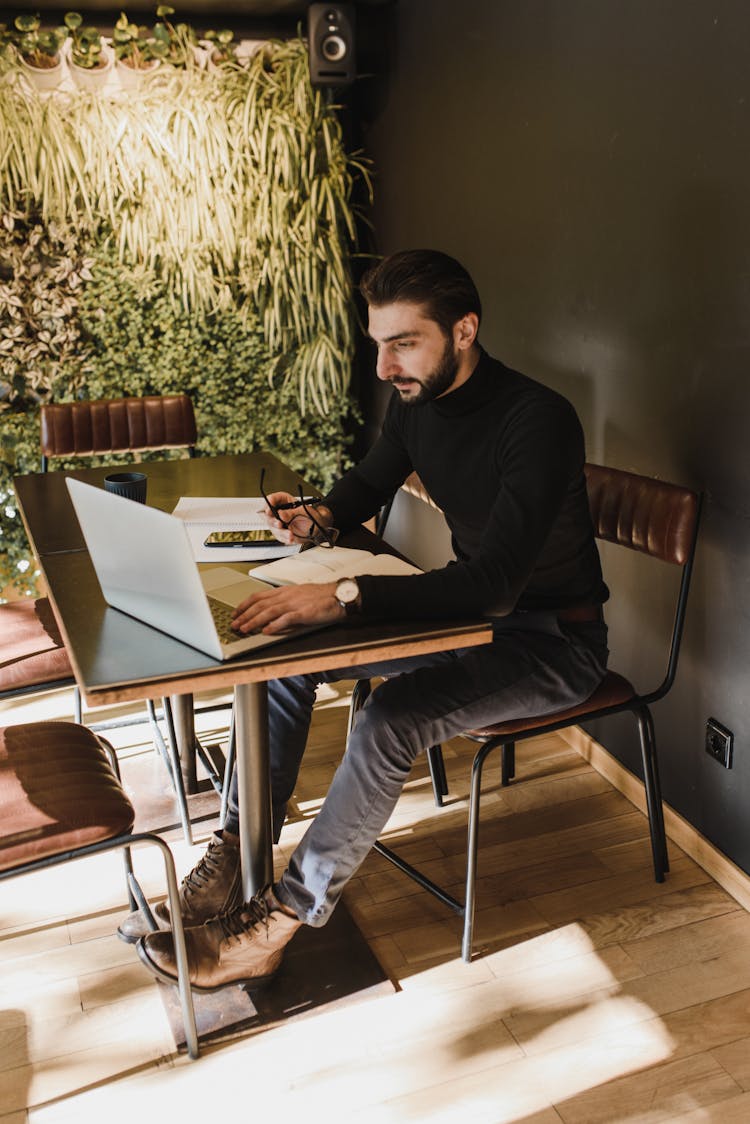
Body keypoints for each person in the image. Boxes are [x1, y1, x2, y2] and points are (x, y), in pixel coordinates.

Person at [130, 248, 609, 992]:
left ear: (465, 330)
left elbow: (494, 588)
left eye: (403, 343)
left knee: (391, 721)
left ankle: (280, 919)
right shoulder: (415, 402)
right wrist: (317, 516)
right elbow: (368, 482)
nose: (385, 367)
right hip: (467, 622)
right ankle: (238, 845)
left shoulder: (537, 420)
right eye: (378, 345)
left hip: (550, 641)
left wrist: (346, 593)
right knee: (284, 653)